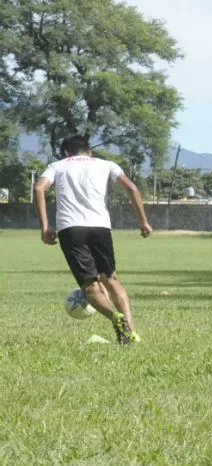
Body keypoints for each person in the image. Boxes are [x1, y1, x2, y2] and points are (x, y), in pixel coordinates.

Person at [33, 135, 153, 345]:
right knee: (111, 280)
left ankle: (114, 316)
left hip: (71, 229)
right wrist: (143, 221)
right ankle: (131, 331)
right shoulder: (106, 165)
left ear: (67, 153)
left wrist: (45, 226)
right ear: (89, 152)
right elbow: (132, 188)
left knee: (90, 286)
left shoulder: (57, 166)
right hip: (100, 227)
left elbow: (38, 188)